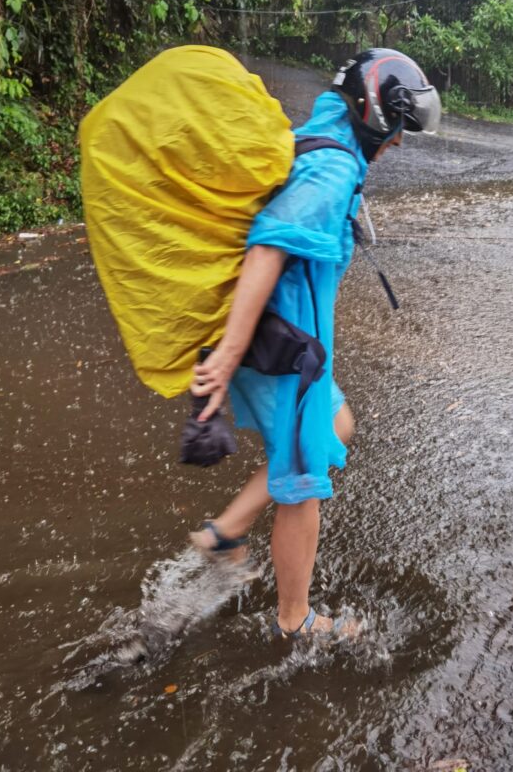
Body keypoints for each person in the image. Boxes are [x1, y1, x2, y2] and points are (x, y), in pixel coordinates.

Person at [187, 48, 441, 638]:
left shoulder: (326, 139)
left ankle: (224, 534)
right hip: (283, 349)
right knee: (302, 480)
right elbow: (268, 247)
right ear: (375, 115)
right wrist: (227, 355)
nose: (398, 143)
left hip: (291, 341)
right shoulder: (331, 170)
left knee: (337, 427)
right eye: (398, 130)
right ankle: (294, 619)